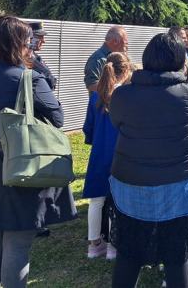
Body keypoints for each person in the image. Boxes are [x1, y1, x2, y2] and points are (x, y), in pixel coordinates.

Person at [0, 16, 76, 288]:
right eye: (29, 42)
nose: (32, 48)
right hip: (19, 164)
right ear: (18, 44)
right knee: (17, 243)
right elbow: (58, 117)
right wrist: (40, 73)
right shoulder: (28, 78)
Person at [109, 33, 188, 288]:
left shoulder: (122, 95)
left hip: (131, 183)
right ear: (179, 60)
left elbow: (117, 123)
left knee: (129, 254)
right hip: (180, 184)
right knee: (178, 256)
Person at [82, 52, 135, 261]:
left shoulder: (96, 96)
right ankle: (113, 245)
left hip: (99, 152)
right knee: (117, 201)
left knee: (96, 201)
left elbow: (88, 128)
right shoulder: (127, 96)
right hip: (120, 153)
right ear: (127, 70)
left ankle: (94, 244)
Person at [85, 25, 128, 92]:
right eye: (125, 44)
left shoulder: (119, 58)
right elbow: (91, 85)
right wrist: (115, 88)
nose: (126, 47)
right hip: (102, 102)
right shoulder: (97, 59)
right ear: (115, 42)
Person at [28, 21, 57, 90]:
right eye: (40, 37)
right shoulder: (25, 59)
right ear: (30, 38)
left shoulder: (35, 57)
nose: (43, 41)